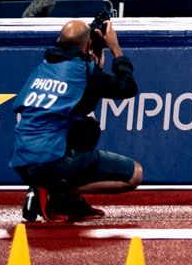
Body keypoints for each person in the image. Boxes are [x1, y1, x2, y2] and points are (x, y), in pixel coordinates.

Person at [9, 17, 141, 224]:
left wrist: (93, 57)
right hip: (51, 160)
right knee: (135, 175)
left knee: (86, 128)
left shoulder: (44, 67)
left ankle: (62, 197)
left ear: (57, 39)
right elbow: (127, 87)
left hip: (22, 159)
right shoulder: (85, 73)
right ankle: (56, 190)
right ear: (89, 45)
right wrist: (114, 47)